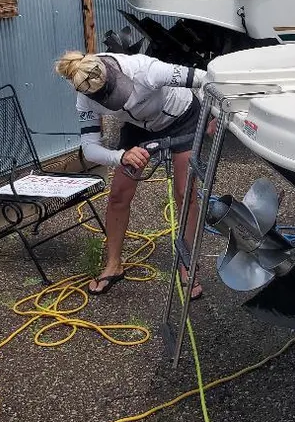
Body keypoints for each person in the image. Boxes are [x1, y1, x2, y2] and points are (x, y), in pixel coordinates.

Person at [55, 50, 206, 298]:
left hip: (182, 117)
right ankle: (113, 265)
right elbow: (89, 149)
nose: (121, 101)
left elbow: (207, 79)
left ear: (113, 71)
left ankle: (188, 264)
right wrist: (121, 156)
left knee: (184, 193)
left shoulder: (147, 70)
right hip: (138, 127)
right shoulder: (85, 96)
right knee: (118, 195)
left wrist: (213, 115)